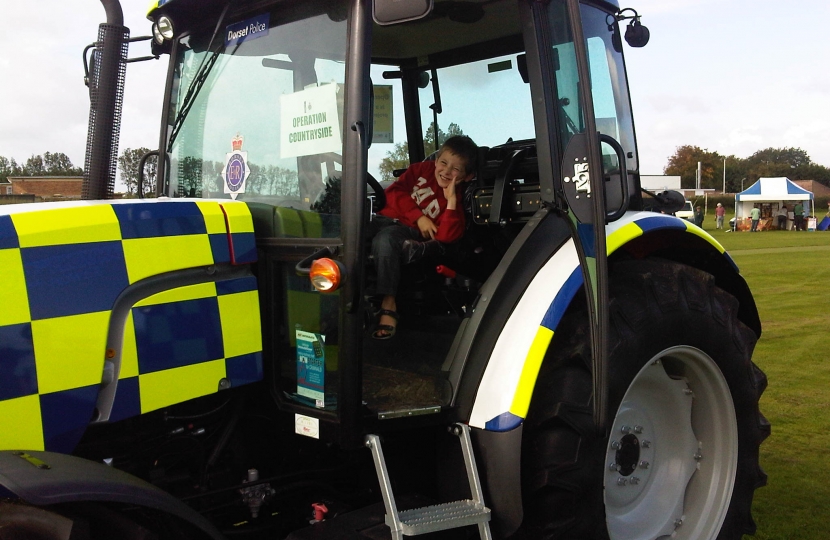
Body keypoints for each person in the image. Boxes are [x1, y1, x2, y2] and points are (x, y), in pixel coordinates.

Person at [369, 135, 478, 339]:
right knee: (349, 229)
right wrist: (419, 217)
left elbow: (445, 237)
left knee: (385, 241)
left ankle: (388, 303)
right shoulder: (419, 171)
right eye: (443, 163)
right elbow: (393, 192)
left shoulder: (456, 202)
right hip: (383, 219)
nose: (446, 171)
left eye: (455, 169)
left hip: (403, 231)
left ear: (466, 176)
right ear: (436, 161)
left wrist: (451, 200)